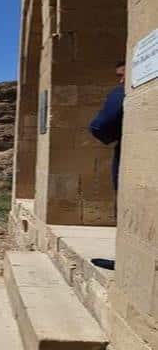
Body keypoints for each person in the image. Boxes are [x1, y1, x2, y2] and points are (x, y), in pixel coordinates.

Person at [88, 61, 126, 271]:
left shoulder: (125, 91)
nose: (121, 81)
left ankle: (128, 259)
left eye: (122, 75)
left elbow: (102, 126)